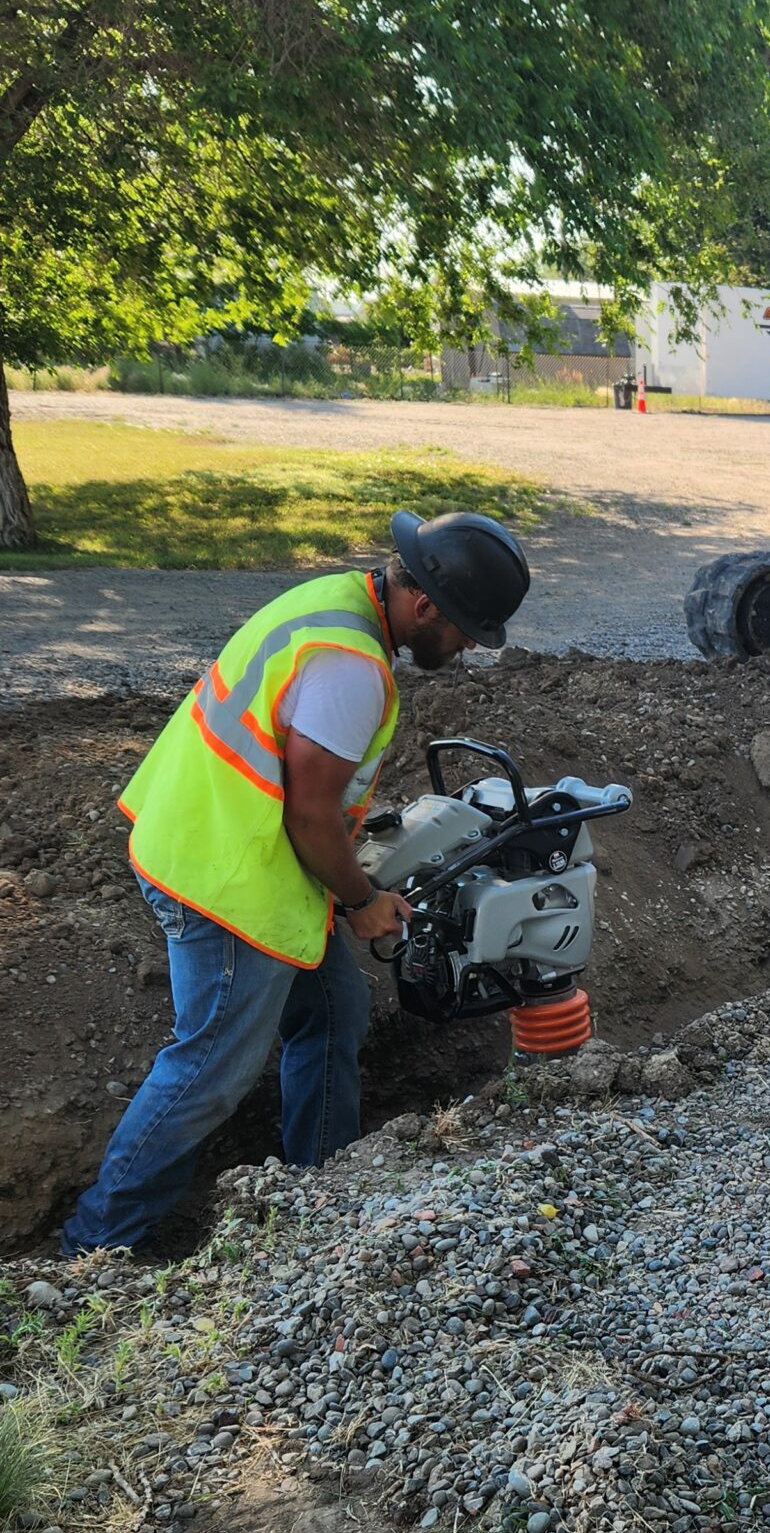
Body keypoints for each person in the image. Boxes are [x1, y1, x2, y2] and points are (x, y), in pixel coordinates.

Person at [62, 510, 531, 1256]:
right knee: (209, 1070)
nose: (471, 645)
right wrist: (362, 901)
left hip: (217, 842)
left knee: (338, 1006)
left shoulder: (338, 601)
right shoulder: (351, 668)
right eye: (470, 628)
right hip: (225, 881)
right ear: (425, 606)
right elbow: (311, 817)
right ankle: (97, 1246)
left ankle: (322, 1194)